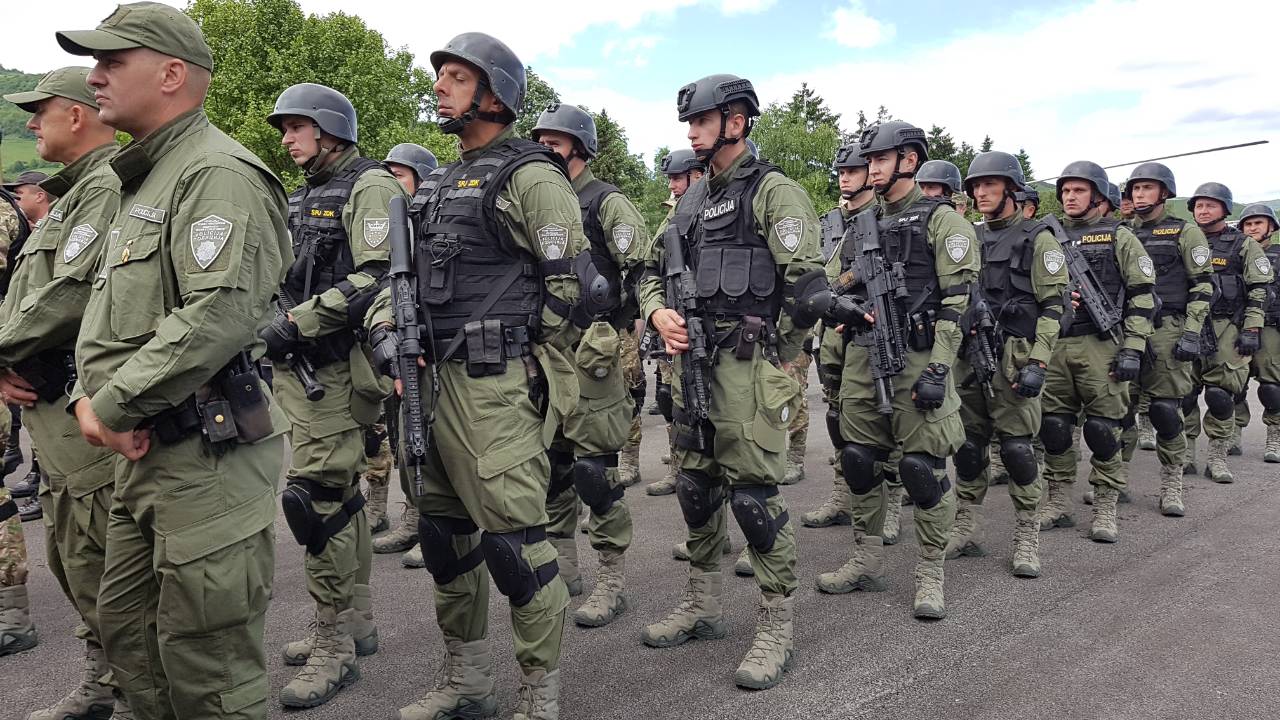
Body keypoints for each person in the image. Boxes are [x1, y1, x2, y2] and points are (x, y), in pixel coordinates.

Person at [58, 4, 291, 718]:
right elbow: (107, 320)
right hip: (146, 460)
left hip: (204, 459)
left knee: (208, 671)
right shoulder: (146, 178)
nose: (93, 77)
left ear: (171, 74)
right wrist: (82, 395)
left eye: (111, 62)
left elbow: (217, 314)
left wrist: (113, 403)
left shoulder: (215, 174)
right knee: (130, 637)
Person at [364, 31, 584, 720]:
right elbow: (390, 283)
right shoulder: (429, 186)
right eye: (442, 78)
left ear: (494, 93)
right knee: (444, 541)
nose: (440, 87)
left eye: (456, 77)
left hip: (493, 389)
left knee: (516, 548)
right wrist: (382, 335)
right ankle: (467, 680)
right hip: (426, 389)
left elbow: (571, 287)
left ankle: (538, 696)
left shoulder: (531, 177)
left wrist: (520, 354)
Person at [639, 73, 822, 689]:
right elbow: (647, 274)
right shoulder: (688, 203)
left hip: (747, 368)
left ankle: (777, 625)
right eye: (688, 122)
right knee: (695, 487)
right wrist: (656, 311)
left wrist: (784, 362)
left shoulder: (775, 193)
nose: (691, 132)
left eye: (702, 120)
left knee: (754, 500)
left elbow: (806, 283)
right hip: (689, 367)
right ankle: (702, 602)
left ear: (737, 122)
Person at [262, 82, 405, 707]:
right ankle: (357, 621)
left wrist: (297, 323)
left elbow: (376, 277)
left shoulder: (369, 186)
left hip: (337, 370)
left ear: (327, 128)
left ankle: (332, 644)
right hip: (300, 371)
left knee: (315, 500)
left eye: (295, 127)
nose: (287, 139)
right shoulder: (303, 195)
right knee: (341, 498)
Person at [0, 65, 127, 720]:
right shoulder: (68, 199)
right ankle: (103, 682)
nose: (29, 123)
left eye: (39, 110)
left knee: (111, 570)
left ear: (76, 114)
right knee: (76, 562)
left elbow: (68, 297)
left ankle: (136, 694)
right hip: (51, 417)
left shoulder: (106, 189)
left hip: (87, 416)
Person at [814, 120, 978, 620]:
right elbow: (839, 280)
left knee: (921, 468)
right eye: (870, 161)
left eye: (881, 159)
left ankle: (931, 571)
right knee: (860, 459)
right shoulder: (861, 222)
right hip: (866, 354)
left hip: (922, 356)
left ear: (908, 160)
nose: (871, 169)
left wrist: (940, 369)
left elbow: (959, 301)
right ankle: (864, 558)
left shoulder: (942, 220)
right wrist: (838, 306)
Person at [531, 101, 646, 627]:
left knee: (595, 471)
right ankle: (564, 566)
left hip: (594, 348)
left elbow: (640, 266)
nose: (544, 149)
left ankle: (612, 579)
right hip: (547, 349)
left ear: (579, 146)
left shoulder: (607, 202)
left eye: (554, 142)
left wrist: (639, 323)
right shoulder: (535, 200)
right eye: (541, 140)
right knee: (554, 466)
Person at [947, 151, 1066, 577]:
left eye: (990, 185)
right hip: (969, 353)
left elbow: (1055, 308)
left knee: (1017, 448)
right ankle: (967, 526)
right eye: (976, 186)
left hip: (1015, 356)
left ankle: (1027, 534)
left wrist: (1038, 361)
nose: (980, 193)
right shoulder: (968, 238)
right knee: (969, 445)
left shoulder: (1038, 239)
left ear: (1012, 190)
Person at [1038, 161, 1153, 529]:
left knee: (1104, 429)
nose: (1070, 197)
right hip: (1057, 344)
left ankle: (1106, 505)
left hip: (1102, 343)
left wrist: (1133, 347)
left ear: (1098, 196)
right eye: (1066, 191)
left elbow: (1142, 295)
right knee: (1054, 427)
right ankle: (1058, 502)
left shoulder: (1119, 236)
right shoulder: (1045, 237)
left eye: (1079, 191)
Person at [1113, 163, 1212, 521]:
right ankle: (1115, 479)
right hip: (1124, 328)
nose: (1139, 195)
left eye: (1147, 189)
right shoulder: (1119, 231)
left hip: (1169, 327)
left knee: (1165, 411)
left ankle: (1172, 481)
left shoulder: (1186, 233)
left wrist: (1191, 331)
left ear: (1164, 193)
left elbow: (1203, 286)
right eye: (1135, 189)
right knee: (1119, 409)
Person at [1174, 183, 1270, 483]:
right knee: (1184, 393)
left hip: (1227, 325)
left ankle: (1216, 455)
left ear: (1225, 209)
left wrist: (1252, 328)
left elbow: (1259, 289)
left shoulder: (1243, 244)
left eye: (1210, 205)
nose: (1203, 211)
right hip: (1188, 323)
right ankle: (1185, 453)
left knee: (1220, 395)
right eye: (1199, 206)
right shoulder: (1183, 239)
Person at [803, 141, 876, 531]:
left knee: (875, 419)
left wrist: (832, 289)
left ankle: (887, 503)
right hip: (828, 332)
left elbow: (868, 272)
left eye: (851, 171)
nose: (844, 178)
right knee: (835, 415)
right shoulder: (829, 220)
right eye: (841, 172)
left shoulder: (879, 217)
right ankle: (842, 494)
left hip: (864, 327)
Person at [372, 142, 438, 566]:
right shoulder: (393, 224)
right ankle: (414, 517)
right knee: (401, 436)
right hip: (398, 343)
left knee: (430, 438)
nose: (391, 183)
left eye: (399, 175)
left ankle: (435, 523)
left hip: (434, 346)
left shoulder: (430, 222)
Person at [644, 148, 705, 498]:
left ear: (697, 175)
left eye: (677, 178)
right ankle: (680, 468)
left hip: (715, 330)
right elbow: (649, 266)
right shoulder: (672, 219)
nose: (672, 186)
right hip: (675, 327)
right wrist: (655, 312)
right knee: (673, 402)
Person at [1238, 204, 1280, 462]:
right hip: (1236, 325)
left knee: (1271, 387)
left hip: (1272, 327)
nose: (1252, 228)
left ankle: (1274, 435)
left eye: (1258, 223)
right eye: (1248, 224)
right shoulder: (1234, 252)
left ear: (1271, 228)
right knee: (1232, 383)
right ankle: (1232, 430)